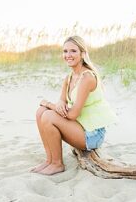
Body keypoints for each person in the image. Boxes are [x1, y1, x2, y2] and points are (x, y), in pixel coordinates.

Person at [31, 36, 117, 175]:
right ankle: (50, 160)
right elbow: (62, 101)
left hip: (92, 134)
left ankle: (57, 164)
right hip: (79, 126)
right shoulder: (69, 77)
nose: (68, 55)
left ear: (82, 54)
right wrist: (58, 104)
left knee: (47, 115)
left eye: (73, 51)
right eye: (65, 51)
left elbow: (72, 115)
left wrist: (48, 104)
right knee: (40, 112)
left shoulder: (87, 77)